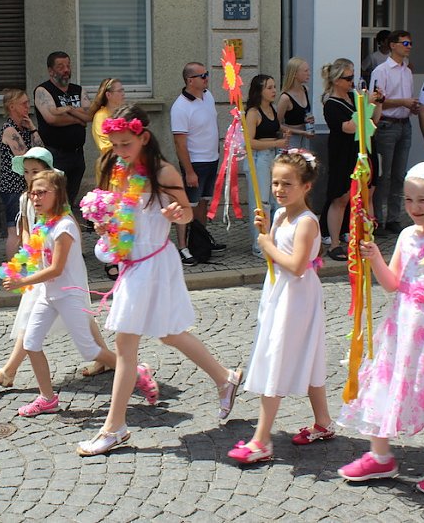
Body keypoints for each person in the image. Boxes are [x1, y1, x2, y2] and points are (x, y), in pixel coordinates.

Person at [75, 105, 242, 457]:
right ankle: (225, 378)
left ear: (143, 137)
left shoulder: (163, 171)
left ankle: (114, 428)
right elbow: (123, 215)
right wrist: (104, 224)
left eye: (124, 144)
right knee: (169, 333)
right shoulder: (119, 169)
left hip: (152, 263)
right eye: (114, 144)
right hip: (133, 262)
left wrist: (174, 212)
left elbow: (185, 211)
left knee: (125, 346)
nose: (118, 151)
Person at [338, 161, 424, 497]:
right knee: (383, 385)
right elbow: (393, 284)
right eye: (409, 200)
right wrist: (374, 259)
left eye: (423, 201)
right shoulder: (406, 235)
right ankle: (380, 454)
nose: (414, 208)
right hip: (401, 331)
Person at [0, 170, 143, 417]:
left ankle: (137, 372)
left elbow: (56, 268)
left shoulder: (64, 226)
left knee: (90, 351)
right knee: (31, 343)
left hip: (69, 295)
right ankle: (47, 399)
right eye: (33, 193)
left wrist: (22, 281)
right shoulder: (44, 224)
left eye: (42, 192)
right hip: (49, 295)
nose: (35, 198)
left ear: (58, 194)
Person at [228, 150, 333, 463]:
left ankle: (262, 440)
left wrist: (267, 244)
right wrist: (265, 233)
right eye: (275, 183)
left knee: (275, 357)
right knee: (310, 357)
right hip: (280, 292)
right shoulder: (279, 215)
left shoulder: (307, 222)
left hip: (297, 296)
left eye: (288, 183)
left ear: (306, 186)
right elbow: (273, 256)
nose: (279, 189)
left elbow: (296, 265)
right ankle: (324, 422)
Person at [0, 147, 113, 388]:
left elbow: (67, 232)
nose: (30, 177)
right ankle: (12, 372)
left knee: (72, 314)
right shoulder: (25, 198)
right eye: (27, 172)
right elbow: (28, 228)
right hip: (39, 266)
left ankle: (9, 371)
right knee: (36, 321)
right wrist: (28, 255)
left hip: (56, 269)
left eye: (36, 171)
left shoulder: (56, 205)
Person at [323, 59, 382, 261]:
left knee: (368, 193)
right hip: (344, 153)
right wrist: (366, 104)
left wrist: (376, 104)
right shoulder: (331, 103)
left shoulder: (352, 96)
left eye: (352, 77)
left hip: (365, 148)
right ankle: (335, 243)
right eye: (348, 78)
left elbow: (372, 122)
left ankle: (366, 237)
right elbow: (349, 127)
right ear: (337, 80)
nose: (351, 82)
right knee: (342, 197)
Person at [170, 62, 227, 265]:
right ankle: (183, 247)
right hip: (195, 163)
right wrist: (189, 171)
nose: (206, 78)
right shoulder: (180, 107)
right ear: (190, 80)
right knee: (187, 205)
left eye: (207, 74)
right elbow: (179, 143)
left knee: (204, 202)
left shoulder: (208, 96)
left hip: (211, 159)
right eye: (203, 76)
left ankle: (200, 240)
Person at [369, 29, 420, 234]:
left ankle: (394, 218)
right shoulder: (381, 71)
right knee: (385, 175)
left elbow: (406, 99)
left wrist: (411, 106)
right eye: (405, 43)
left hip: (404, 123)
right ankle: (377, 219)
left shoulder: (407, 71)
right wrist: (402, 102)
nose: (409, 47)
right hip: (387, 125)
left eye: (410, 43)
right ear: (393, 45)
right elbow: (377, 101)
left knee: (399, 175)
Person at [33, 51, 92, 208]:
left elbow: (90, 115)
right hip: (56, 155)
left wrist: (69, 109)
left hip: (77, 155)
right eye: (60, 66)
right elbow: (51, 119)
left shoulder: (78, 90)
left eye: (68, 65)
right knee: (54, 199)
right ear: (51, 70)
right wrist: (79, 119)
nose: (66, 69)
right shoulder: (43, 91)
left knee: (69, 200)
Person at [244, 74, 290, 257]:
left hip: (273, 157)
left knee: (275, 201)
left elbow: (275, 130)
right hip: (259, 158)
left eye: (274, 87)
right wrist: (275, 144)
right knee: (261, 202)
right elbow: (250, 142)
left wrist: (282, 137)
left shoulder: (272, 109)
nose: (273, 91)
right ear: (259, 91)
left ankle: (274, 240)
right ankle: (259, 244)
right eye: (269, 87)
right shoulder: (253, 112)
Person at [0, 89, 43, 259]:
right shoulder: (9, 130)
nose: (27, 106)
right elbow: (28, 158)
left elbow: (42, 152)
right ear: (12, 107)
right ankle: (13, 270)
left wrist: (32, 128)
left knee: (26, 228)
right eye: (23, 103)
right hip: (13, 187)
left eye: (27, 102)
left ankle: (26, 264)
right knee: (14, 230)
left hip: (26, 184)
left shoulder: (23, 127)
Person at [90, 78, 127, 279]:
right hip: (110, 172)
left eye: (123, 90)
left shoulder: (123, 114)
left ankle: (124, 255)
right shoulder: (101, 116)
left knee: (125, 216)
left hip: (127, 172)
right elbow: (106, 145)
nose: (123, 94)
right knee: (110, 216)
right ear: (108, 94)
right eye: (120, 91)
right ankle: (110, 260)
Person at [277, 57, 315, 150]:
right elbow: (277, 125)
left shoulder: (305, 89)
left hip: (305, 136)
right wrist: (300, 132)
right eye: (305, 71)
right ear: (295, 74)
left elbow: (303, 113)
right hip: (291, 140)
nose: (308, 73)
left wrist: (309, 119)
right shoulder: (285, 98)